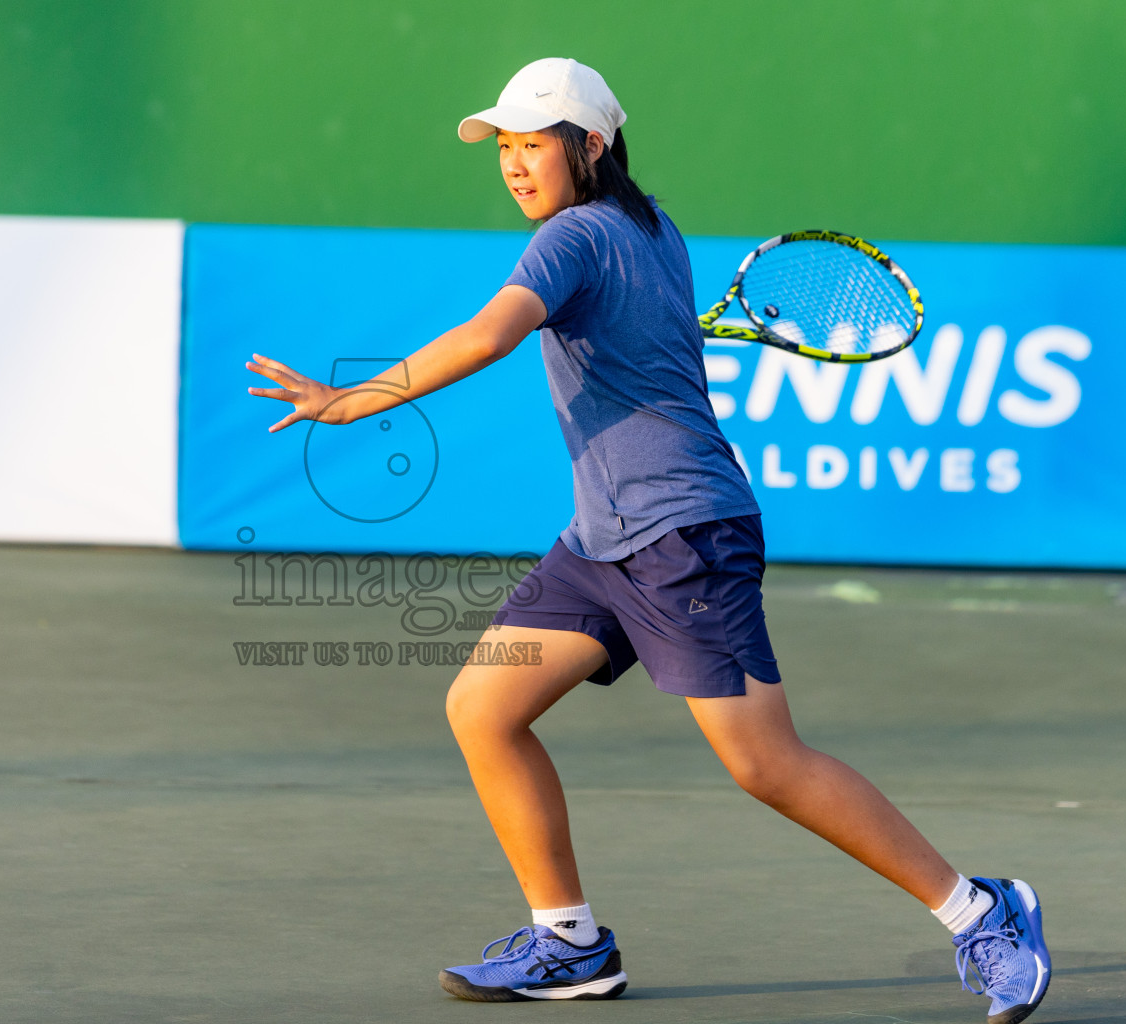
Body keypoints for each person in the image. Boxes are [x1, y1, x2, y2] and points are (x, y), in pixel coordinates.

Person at [244, 57, 1050, 1024]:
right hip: (600, 542)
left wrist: (350, 403)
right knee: (483, 707)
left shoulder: (574, 239)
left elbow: (489, 334)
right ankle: (570, 942)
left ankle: (981, 912)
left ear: (590, 145)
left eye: (533, 144)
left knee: (766, 763)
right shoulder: (649, 228)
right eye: (503, 147)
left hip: (682, 536)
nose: (513, 165)